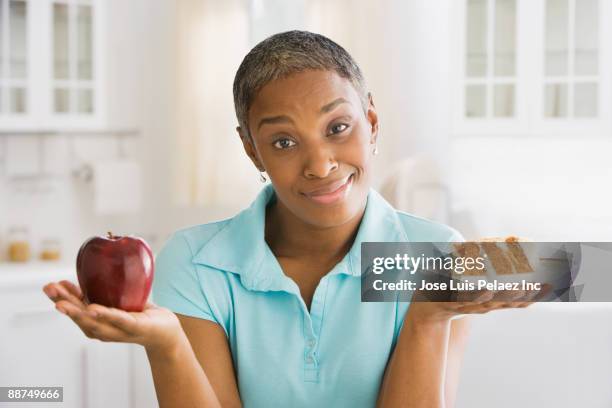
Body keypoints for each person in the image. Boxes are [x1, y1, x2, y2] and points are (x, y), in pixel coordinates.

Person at [42, 30, 538, 408]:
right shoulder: (197, 263)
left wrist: (431, 315)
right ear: (251, 149)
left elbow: (566, 270)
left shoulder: (433, 253)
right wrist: (167, 345)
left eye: (338, 127)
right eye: (283, 141)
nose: (320, 164)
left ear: (372, 122)